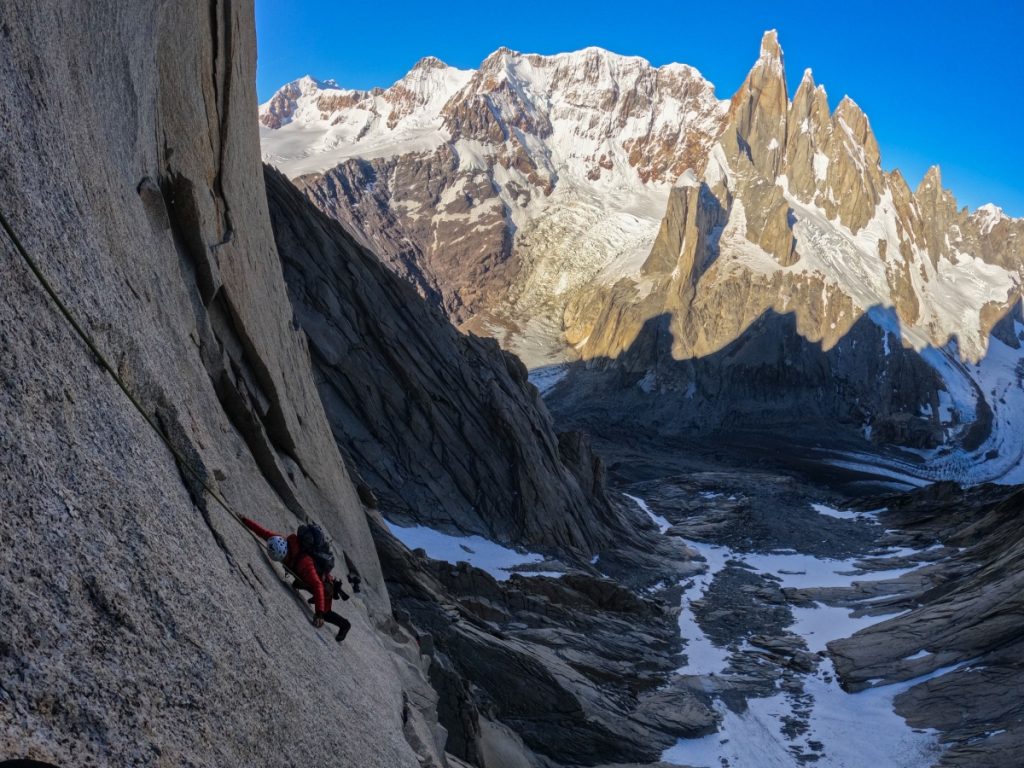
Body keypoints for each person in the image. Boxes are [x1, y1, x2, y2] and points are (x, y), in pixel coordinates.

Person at [242, 517, 352, 642]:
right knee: (297, 583)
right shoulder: (282, 542)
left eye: (282, 559)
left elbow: (317, 585)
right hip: (308, 578)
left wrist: (319, 614)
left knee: (326, 613)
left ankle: (344, 625)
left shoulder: (304, 564)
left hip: (325, 586)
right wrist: (245, 520)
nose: (282, 561)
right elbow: (264, 533)